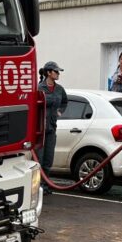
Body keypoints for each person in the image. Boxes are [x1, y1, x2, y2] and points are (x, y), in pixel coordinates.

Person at [38, 61, 67, 194]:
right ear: (49, 73)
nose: (58, 74)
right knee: (39, 159)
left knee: (48, 159)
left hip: (51, 128)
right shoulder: (39, 88)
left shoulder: (59, 89)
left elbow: (65, 102)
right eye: (56, 71)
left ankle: (45, 185)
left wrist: (60, 111)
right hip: (40, 130)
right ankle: (37, 186)